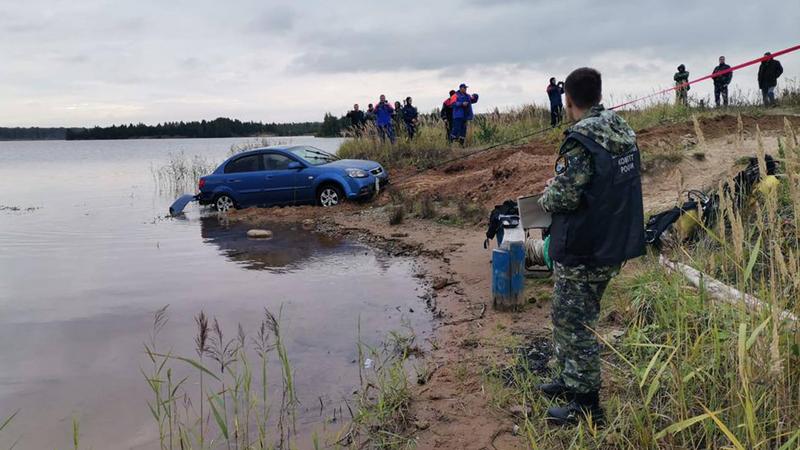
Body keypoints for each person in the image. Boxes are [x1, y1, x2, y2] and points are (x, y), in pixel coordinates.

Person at [531, 67, 645, 426]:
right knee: (568, 316)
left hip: (586, 247)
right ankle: (569, 379)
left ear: (568, 100)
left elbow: (562, 197)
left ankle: (586, 406)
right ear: (598, 93)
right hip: (613, 238)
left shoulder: (581, 140)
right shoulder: (620, 129)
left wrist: (549, 192)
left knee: (575, 323)